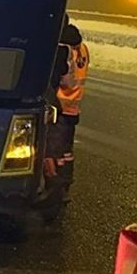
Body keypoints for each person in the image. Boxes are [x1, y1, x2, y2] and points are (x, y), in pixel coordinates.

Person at [45, 21, 88, 197]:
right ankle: (65, 182)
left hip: (59, 108)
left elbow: (53, 80)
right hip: (73, 107)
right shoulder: (82, 48)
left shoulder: (62, 50)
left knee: (53, 151)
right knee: (66, 151)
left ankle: (53, 188)